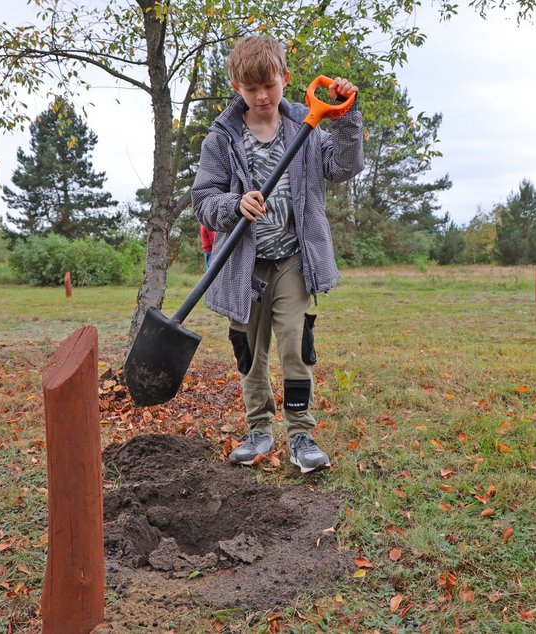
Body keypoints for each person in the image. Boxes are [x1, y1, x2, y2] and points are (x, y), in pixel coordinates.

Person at [192, 35, 363, 474]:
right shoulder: (222, 138)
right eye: (251, 89)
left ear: (285, 78)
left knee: (294, 343)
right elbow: (204, 200)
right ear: (237, 87)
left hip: (292, 258)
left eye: (269, 85)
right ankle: (259, 430)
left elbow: (343, 166)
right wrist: (234, 205)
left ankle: (301, 433)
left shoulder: (306, 128)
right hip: (243, 264)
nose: (262, 96)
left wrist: (347, 117)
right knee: (249, 350)